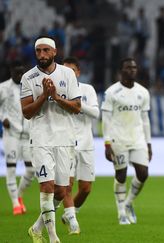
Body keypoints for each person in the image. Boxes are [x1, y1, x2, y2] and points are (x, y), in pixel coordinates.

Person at [21, 36, 81, 243]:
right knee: (47, 186)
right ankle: (53, 238)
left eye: (46, 50)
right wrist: (43, 96)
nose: (41, 55)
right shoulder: (28, 77)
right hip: (41, 138)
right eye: (38, 51)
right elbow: (26, 112)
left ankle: (36, 228)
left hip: (64, 138)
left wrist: (55, 97)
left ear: (54, 52)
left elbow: (77, 107)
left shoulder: (68, 74)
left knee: (61, 190)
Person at [101, 57, 152, 225]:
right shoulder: (111, 92)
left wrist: (149, 144)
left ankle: (129, 203)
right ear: (121, 71)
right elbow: (106, 119)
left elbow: (145, 119)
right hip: (118, 139)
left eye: (134, 67)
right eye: (129, 68)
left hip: (137, 138)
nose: (132, 70)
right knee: (121, 175)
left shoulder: (143, 92)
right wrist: (107, 143)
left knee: (143, 173)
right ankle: (121, 212)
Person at [60, 57, 99, 234]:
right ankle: (73, 222)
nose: (68, 73)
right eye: (65, 70)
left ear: (78, 72)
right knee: (67, 186)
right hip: (66, 143)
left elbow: (96, 113)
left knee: (85, 189)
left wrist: (78, 104)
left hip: (86, 145)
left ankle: (70, 212)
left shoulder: (87, 89)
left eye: (72, 70)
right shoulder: (58, 91)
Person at [0, 60, 34, 215]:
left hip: (27, 135)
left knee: (31, 170)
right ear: (10, 71)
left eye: (22, 72)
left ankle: (19, 196)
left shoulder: (30, 87)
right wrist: (2, 118)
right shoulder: (3, 88)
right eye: (17, 72)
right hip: (11, 135)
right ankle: (15, 204)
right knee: (11, 169)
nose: (20, 75)